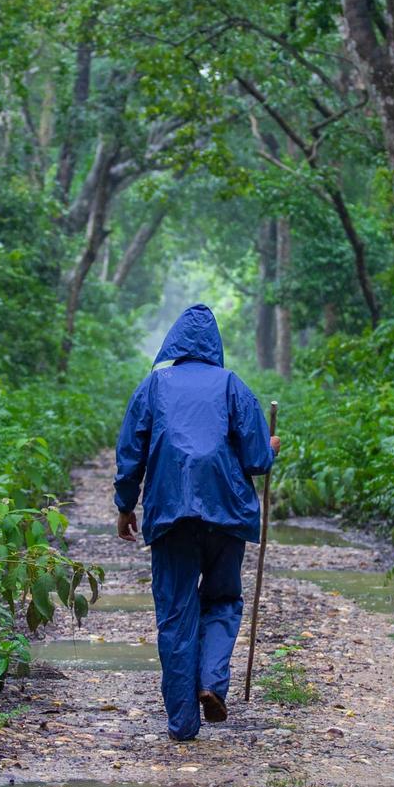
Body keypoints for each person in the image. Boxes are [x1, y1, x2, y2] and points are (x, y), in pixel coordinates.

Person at [114, 305, 278, 741]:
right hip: (226, 513)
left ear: (174, 343)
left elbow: (130, 453)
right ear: (214, 346)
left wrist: (125, 505)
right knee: (223, 600)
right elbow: (258, 459)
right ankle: (211, 682)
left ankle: (182, 724)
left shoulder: (154, 386)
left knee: (175, 613)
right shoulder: (232, 386)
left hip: (170, 515)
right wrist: (271, 444)